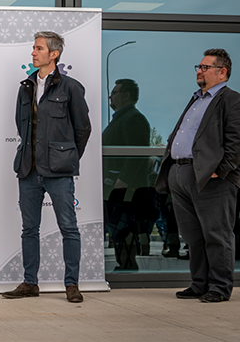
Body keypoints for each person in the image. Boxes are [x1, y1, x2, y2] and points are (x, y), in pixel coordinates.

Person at [4, 31, 90, 303]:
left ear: (54, 54)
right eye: (33, 48)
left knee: (69, 228)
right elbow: (22, 126)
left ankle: (72, 285)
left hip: (58, 171)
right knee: (29, 229)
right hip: (28, 170)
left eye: (38, 48)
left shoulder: (71, 87)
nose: (33, 52)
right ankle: (30, 283)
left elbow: (82, 129)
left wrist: (66, 156)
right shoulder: (25, 87)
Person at [155, 49, 240, 303]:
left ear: (222, 72)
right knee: (193, 235)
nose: (199, 71)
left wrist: (221, 170)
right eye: (198, 67)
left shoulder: (231, 100)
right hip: (181, 174)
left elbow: (236, 142)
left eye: (205, 67)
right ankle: (200, 283)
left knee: (217, 234)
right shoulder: (196, 99)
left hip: (211, 178)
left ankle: (220, 286)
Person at [102, 79, 153, 270]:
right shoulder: (120, 118)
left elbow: (137, 154)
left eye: (114, 92)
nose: (110, 96)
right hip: (116, 188)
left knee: (123, 229)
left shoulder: (133, 118)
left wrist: (122, 181)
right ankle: (124, 265)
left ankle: (128, 267)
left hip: (126, 190)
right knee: (118, 230)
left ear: (126, 95)